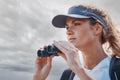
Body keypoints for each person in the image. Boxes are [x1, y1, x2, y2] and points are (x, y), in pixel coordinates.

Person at [33, 4, 120, 80]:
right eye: (67, 27)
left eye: (76, 24)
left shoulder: (117, 68)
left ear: (97, 28)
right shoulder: (68, 75)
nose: (68, 31)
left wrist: (78, 70)